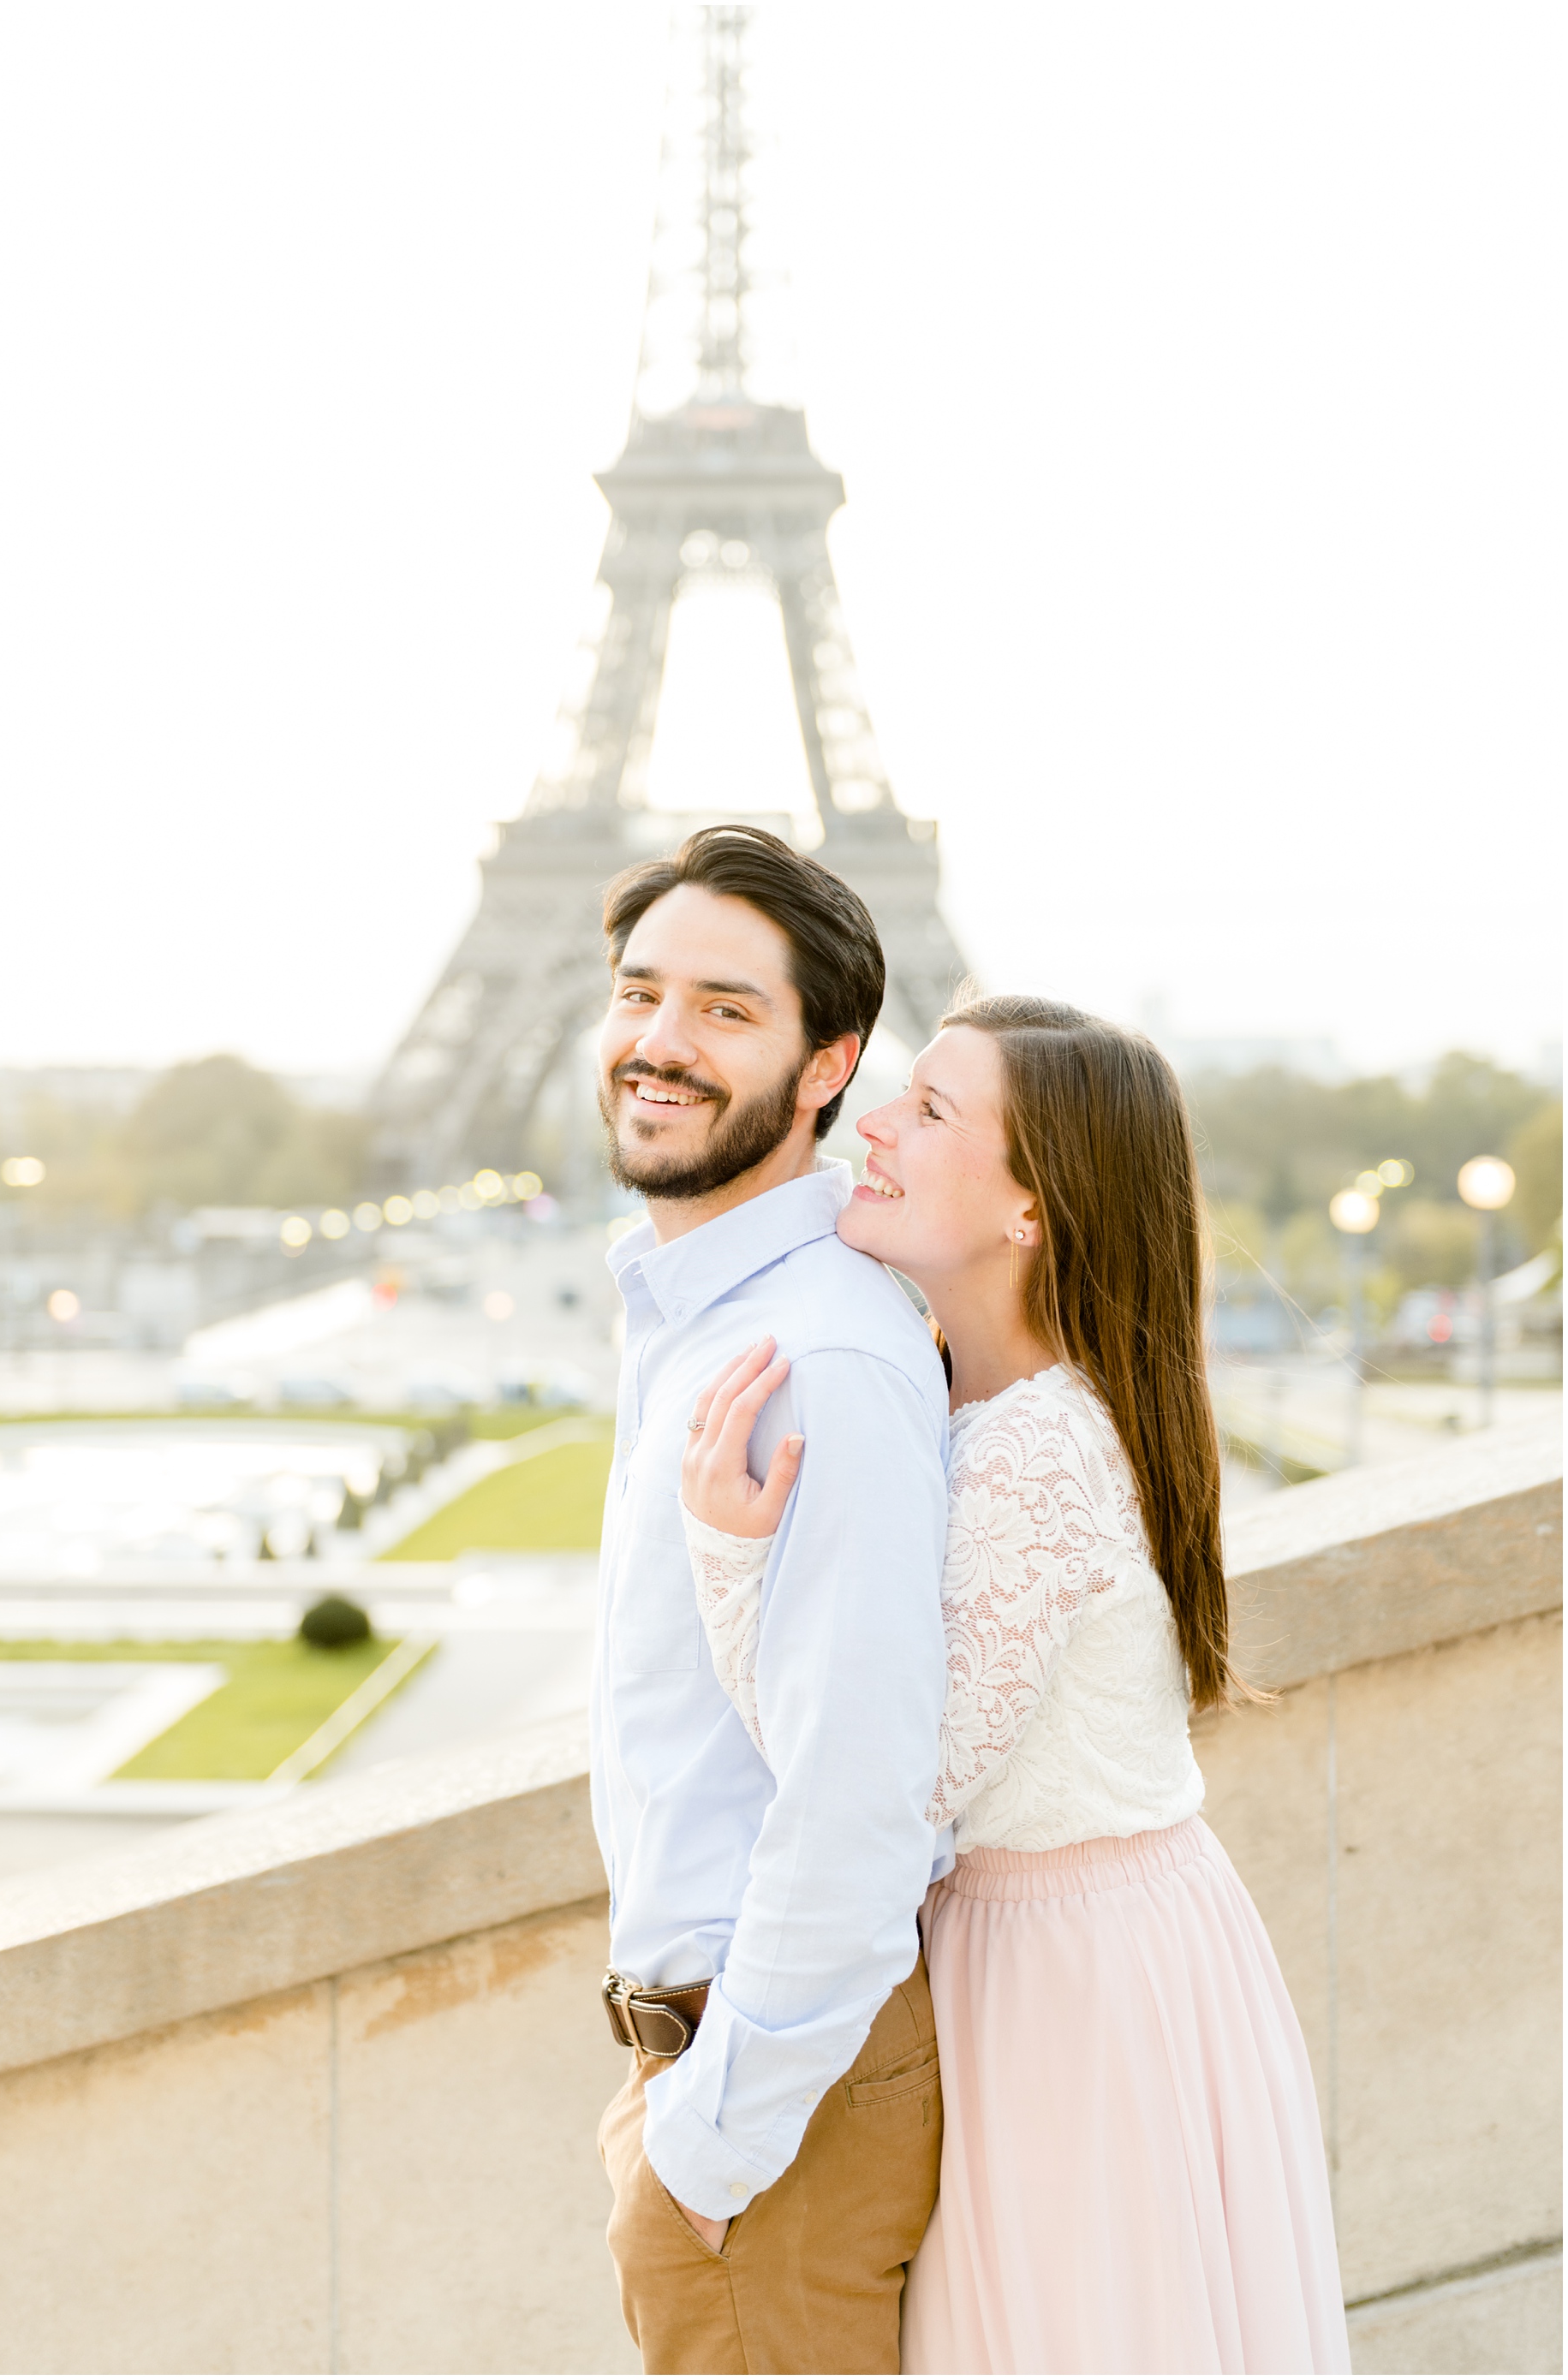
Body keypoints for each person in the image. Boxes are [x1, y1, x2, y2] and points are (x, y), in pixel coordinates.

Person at [679, 994, 1352, 2376]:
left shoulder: (1035, 1451)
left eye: (929, 1110)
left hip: (1065, 1986)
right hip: (1096, 1952)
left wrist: (730, 1561)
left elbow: (879, 1779)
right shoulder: (1011, 1407)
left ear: (1031, 1210)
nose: (875, 1121)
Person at [591, 824, 952, 2377]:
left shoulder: (818, 1355)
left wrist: (709, 2152)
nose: (662, 1043)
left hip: (770, 2103)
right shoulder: (714, 1313)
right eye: (640, 992)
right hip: (716, 2064)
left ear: (830, 1066)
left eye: (728, 1010)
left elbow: (862, 1797)